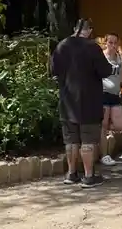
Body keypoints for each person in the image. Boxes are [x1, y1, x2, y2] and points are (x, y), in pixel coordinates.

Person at [50, 19, 118, 188]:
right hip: (89, 102)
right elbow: (105, 70)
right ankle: (89, 176)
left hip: (67, 101)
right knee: (88, 140)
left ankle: (71, 174)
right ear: (88, 31)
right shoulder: (91, 47)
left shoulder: (62, 46)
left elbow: (52, 71)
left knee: (71, 141)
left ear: (75, 29)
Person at [100, 32, 122, 166]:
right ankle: (104, 156)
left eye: (115, 42)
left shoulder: (119, 58)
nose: (113, 45)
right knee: (103, 127)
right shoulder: (101, 57)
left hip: (115, 95)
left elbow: (121, 76)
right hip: (103, 93)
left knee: (120, 125)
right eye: (110, 42)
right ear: (106, 43)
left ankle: (101, 126)